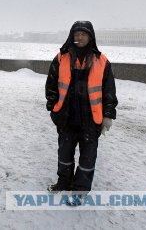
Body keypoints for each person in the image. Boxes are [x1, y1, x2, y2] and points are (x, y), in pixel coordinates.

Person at [45, 21, 118, 206]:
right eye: (77, 34)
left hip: (91, 120)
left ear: (90, 37)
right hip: (66, 118)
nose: (80, 37)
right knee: (64, 155)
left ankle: (80, 192)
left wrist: (108, 115)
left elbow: (109, 90)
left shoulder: (102, 61)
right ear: (71, 35)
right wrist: (53, 108)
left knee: (87, 159)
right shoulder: (62, 57)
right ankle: (64, 183)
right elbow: (51, 84)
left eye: (83, 34)